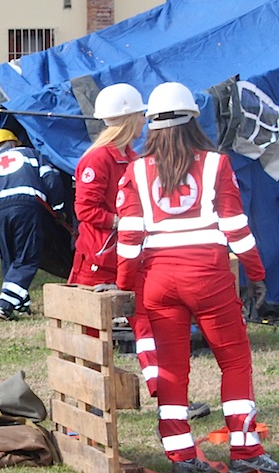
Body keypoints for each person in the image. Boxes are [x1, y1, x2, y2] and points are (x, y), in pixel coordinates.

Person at [116, 81, 276, 473]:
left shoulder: (136, 170)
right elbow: (237, 228)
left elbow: (129, 238)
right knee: (234, 361)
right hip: (209, 278)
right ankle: (246, 451)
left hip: (158, 281)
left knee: (171, 369)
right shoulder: (216, 164)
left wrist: (125, 285)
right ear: (193, 119)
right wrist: (256, 274)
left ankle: (181, 455)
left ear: (151, 124)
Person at [70, 83, 209, 420]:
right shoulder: (97, 159)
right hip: (97, 262)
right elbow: (85, 210)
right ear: (129, 118)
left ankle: (168, 397)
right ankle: (89, 400)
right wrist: (124, 221)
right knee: (91, 334)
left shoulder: (134, 159)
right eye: (140, 115)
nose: (145, 122)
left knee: (149, 329)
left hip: (131, 258)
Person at [0, 128, 65, 320]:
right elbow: (51, 177)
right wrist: (58, 208)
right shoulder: (30, 154)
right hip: (25, 206)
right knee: (27, 257)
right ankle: (6, 304)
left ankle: (21, 303)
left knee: (9, 258)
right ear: (13, 143)